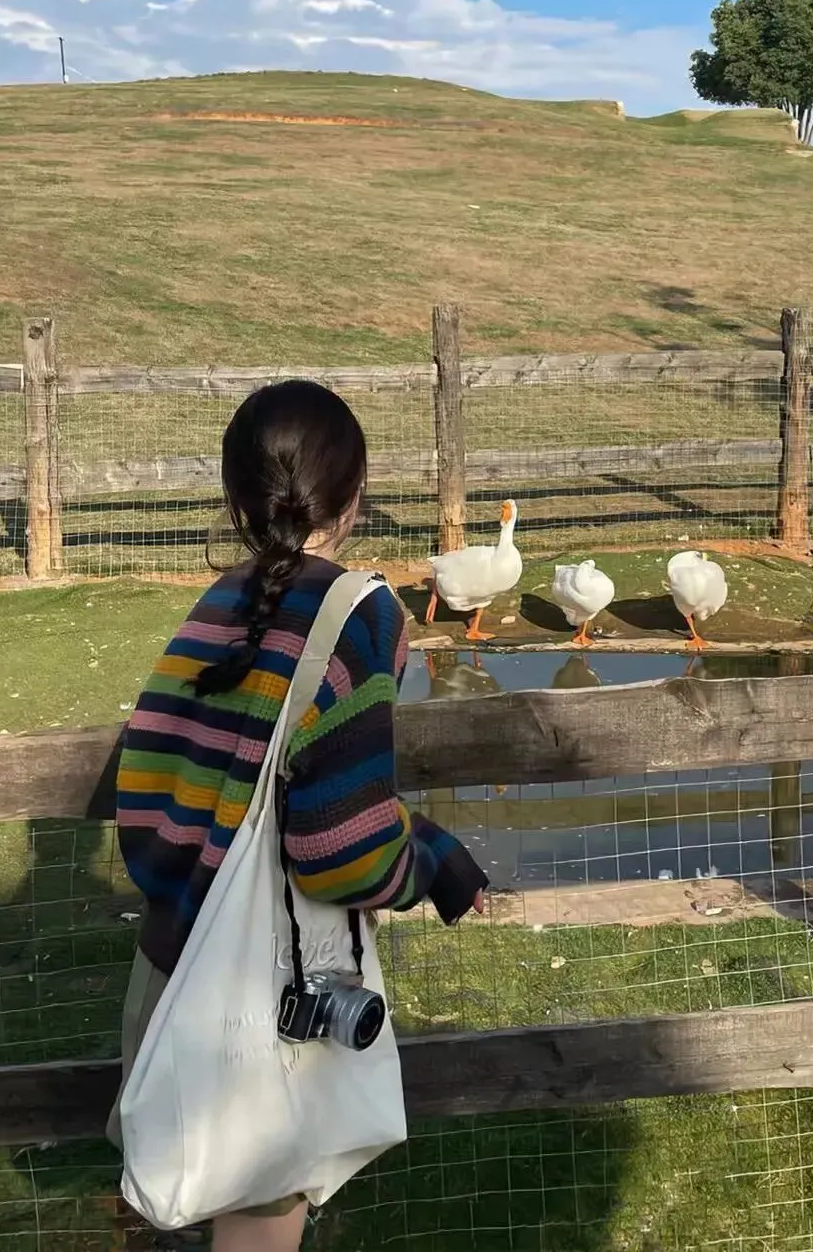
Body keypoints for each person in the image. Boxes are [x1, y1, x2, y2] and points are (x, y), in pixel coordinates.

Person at [111, 380, 489, 1251]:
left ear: (235, 498)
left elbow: (155, 787)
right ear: (354, 497)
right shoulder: (358, 615)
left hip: (173, 965)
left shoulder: (218, 605)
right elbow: (340, 849)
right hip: (261, 1002)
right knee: (260, 1221)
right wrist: (432, 863)